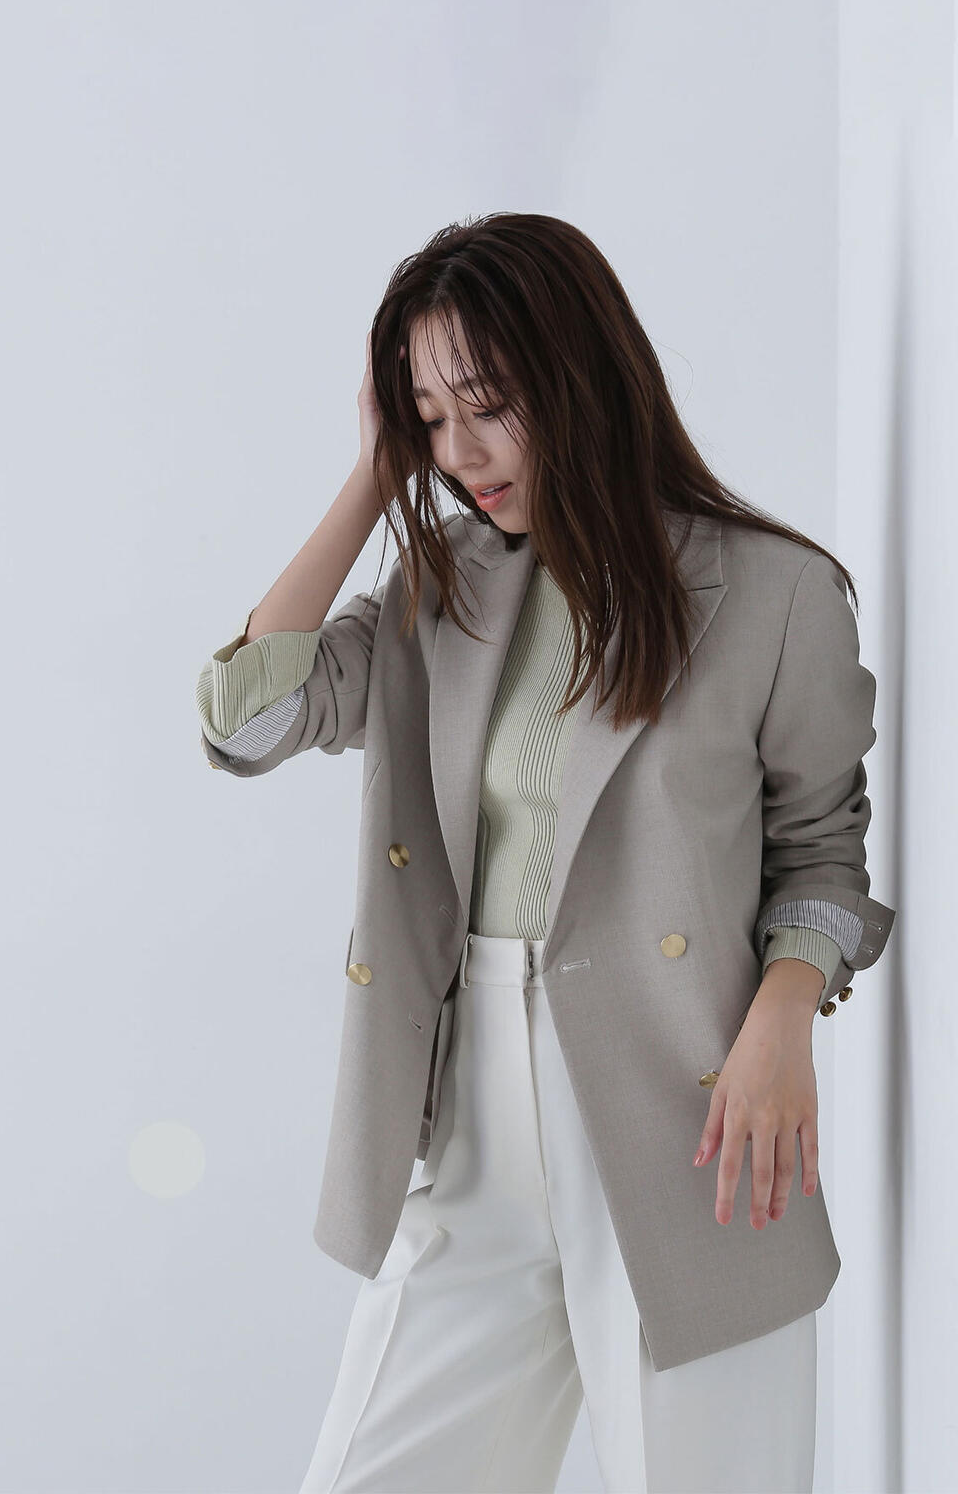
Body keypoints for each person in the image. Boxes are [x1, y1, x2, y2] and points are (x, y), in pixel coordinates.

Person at [195, 213, 896, 1493]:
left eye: (487, 405)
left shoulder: (772, 591)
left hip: (686, 1122)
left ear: (581, 374)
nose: (458, 454)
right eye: (426, 419)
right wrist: (372, 479)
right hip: (466, 1124)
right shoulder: (438, 589)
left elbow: (820, 853)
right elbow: (244, 721)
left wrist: (781, 1018)